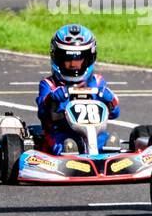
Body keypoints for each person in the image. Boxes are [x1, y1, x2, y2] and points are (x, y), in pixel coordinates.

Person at [36, 24, 120, 154]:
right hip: (60, 134)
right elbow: (42, 112)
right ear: (57, 58)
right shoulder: (49, 84)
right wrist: (53, 97)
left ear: (89, 58)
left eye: (78, 59)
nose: (73, 64)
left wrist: (110, 99)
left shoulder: (97, 82)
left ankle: (108, 157)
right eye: (67, 59)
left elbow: (114, 113)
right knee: (68, 146)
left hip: (95, 135)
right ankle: (71, 162)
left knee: (109, 142)